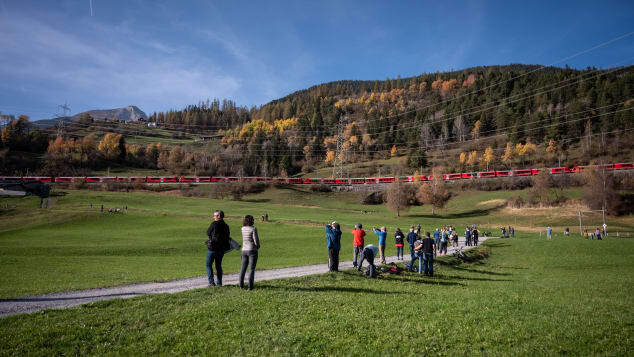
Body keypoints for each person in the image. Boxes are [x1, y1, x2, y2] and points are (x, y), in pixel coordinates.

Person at [206, 210, 230, 286]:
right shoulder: (226, 226)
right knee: (218, 265)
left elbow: (208, 232)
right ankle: (219, 283)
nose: (213, 217)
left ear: (219, 216)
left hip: (213, 247)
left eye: (215, 216)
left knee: (208, 264)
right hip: (222, 248)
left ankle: (211, 282)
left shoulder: (214, 224)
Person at [240, 215, 260, 290]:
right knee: (251, 269)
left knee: (243, 268)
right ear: (251, 221)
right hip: (252, 250)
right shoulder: (253, 229)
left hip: (244, 250)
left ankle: (241, 285)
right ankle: (250, 287)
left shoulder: (242, 228)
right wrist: (258, 246)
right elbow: (256, 240)